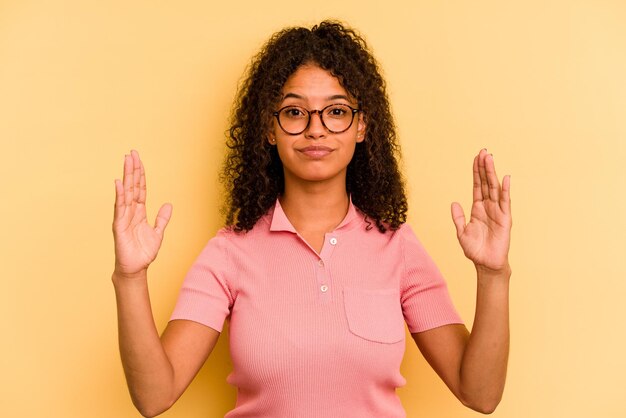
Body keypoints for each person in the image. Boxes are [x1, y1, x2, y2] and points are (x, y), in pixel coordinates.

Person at [112, 21, 511, 418]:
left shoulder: (399, 246)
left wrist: (493, 274)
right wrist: (130, 278)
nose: (315, 130)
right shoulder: (230, 252)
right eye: (294, 112)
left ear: (361, 125)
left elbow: (479, 392)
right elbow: (154, 396)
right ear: (270, 128)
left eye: (336, 111)